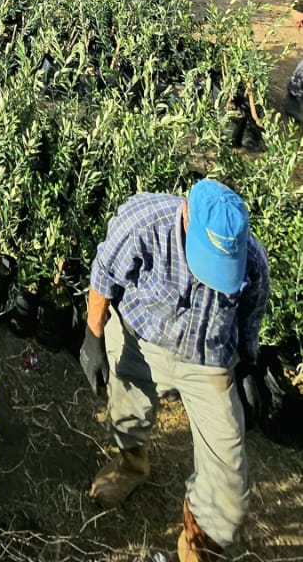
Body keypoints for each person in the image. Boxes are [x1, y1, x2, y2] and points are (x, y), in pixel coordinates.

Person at [80, 180, 269, 561]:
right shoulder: (143, 222)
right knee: (127, 414)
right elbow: (104, 275)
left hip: (209, 359)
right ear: (185, 216)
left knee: (228, 473)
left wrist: (248, 364)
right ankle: (131, 465)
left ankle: (198, 542)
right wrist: (92, 338)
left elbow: (251, 312)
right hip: (141, 339)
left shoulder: (252, 259)